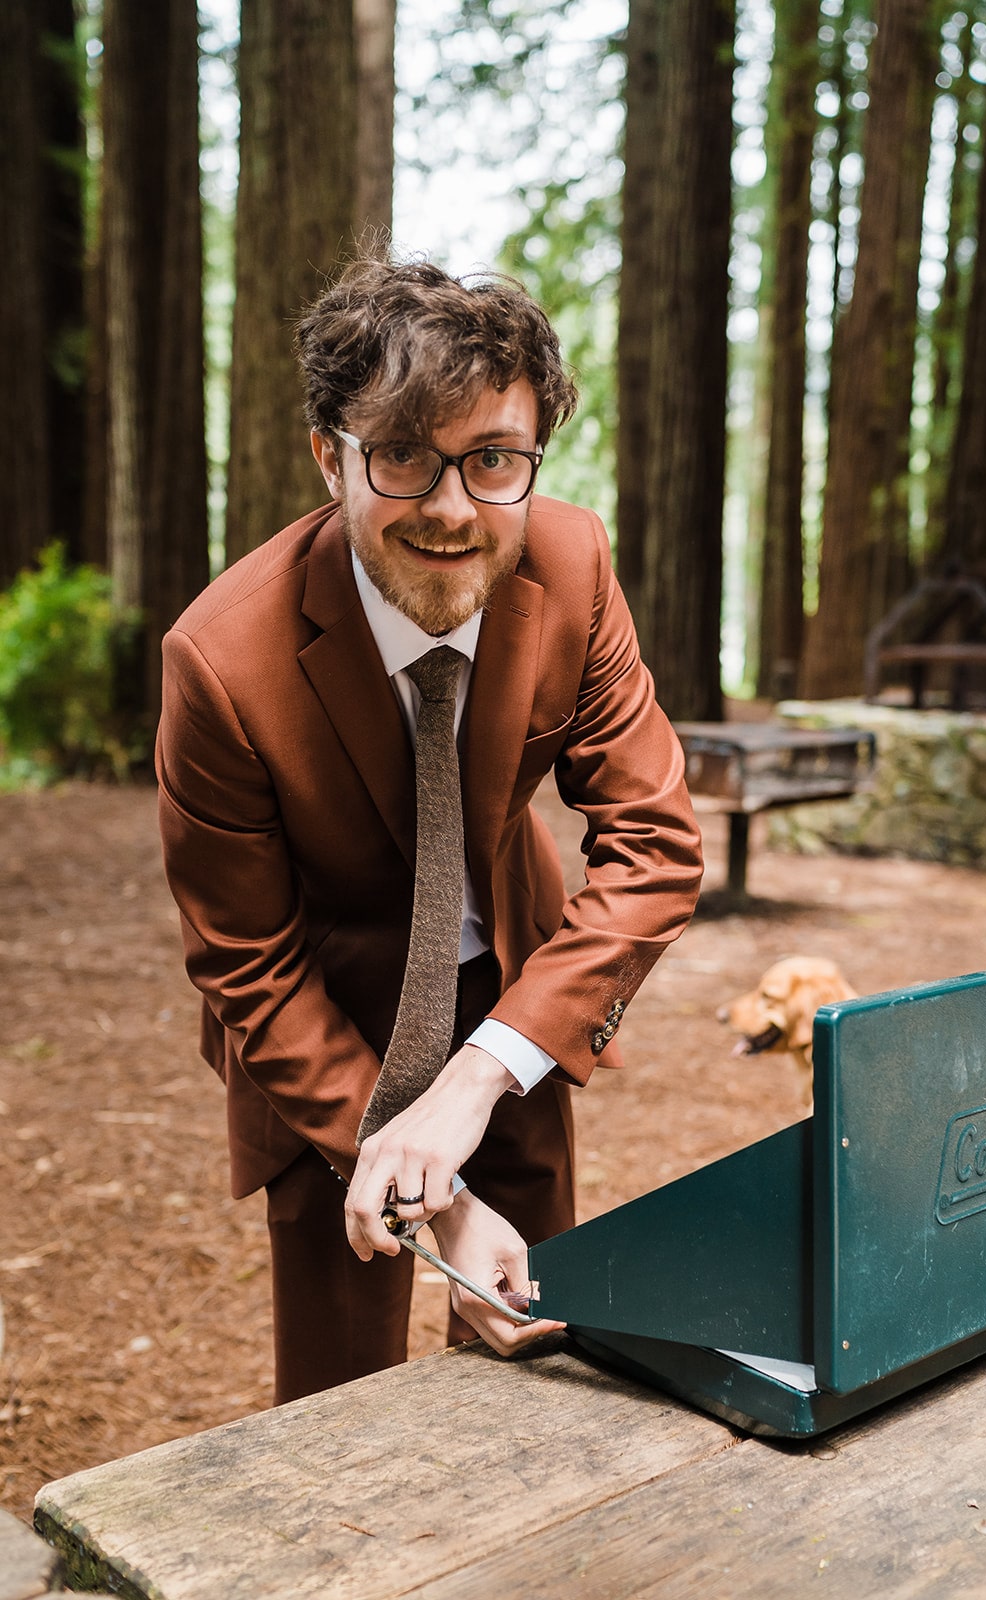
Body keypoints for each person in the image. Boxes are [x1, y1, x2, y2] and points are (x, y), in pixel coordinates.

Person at [156, 254, 704, 1405]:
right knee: (336, 1402)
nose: (454, 509)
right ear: (330, 455)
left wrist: (477, 1079)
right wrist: (430, 1186)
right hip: (316, 1029)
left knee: (540, 1360)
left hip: (516, 1001)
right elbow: (245, 960)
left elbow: (653, 846)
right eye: (404, 455)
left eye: (493, 459)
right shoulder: (219, 663)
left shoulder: (573, 563)